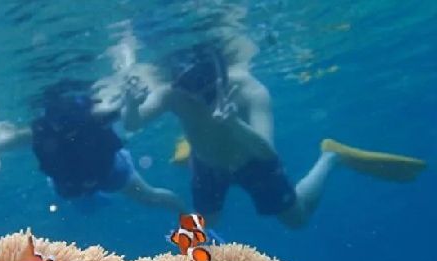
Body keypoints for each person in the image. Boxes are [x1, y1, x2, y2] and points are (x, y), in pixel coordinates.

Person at [120, 42, 426, 228]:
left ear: (222, 73)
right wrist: (131, 104)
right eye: (192, 89)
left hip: (253, 160)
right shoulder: (173, 95)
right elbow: (133, 124)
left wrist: (233, 125)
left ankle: (330, 156)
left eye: (209, 86)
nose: (201, 95)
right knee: (204, 223)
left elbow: (267, 151)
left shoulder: (251, 90)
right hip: (208, 164)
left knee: (297, 220)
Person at [0, 82, 186, 213]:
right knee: (81, 201)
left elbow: (130, 121)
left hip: (109, 172)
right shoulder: (36, 132)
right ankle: (91, 198)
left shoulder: (96, 116)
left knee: (150, 197)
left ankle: (190, 218)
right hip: (70, 184)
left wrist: (131, 103)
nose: (65, 121)